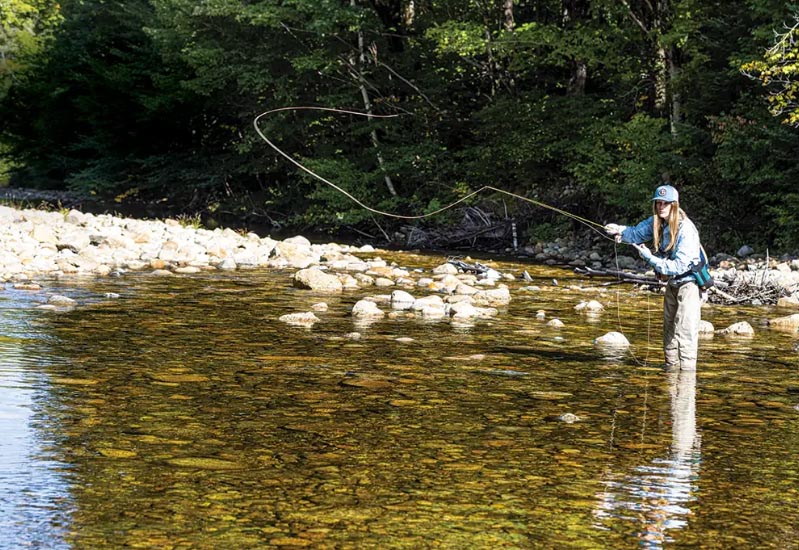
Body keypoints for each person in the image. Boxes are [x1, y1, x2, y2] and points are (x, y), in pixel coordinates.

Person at [604, 184, 704, 371]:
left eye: (665, 203)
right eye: (658, 203)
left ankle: (687, 380)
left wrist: (649, 257)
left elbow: (679, 266)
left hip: (689, 284)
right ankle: (671, 371)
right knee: (668, 331)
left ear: (674, 205)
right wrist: (619, 230)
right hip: (673, 284)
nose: (661, 207)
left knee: (685, 331)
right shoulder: (656, 222)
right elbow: (635, 233)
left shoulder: (686, 230)